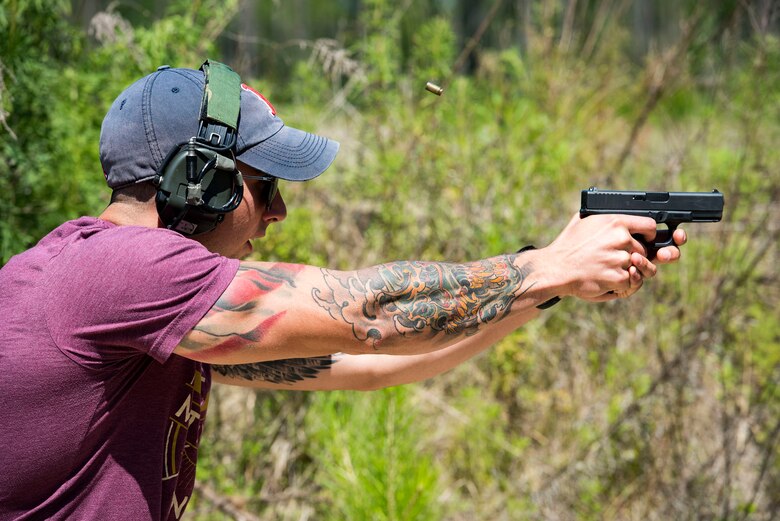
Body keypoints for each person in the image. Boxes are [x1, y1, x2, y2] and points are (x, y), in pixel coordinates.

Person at [0, 62, 686, 521]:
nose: (278, 214)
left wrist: (550, 277)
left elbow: (374, 361)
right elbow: (369, 312)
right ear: (195, 180)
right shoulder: (122, 271)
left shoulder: (153, 309)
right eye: (264, 185)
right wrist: (546, 267)